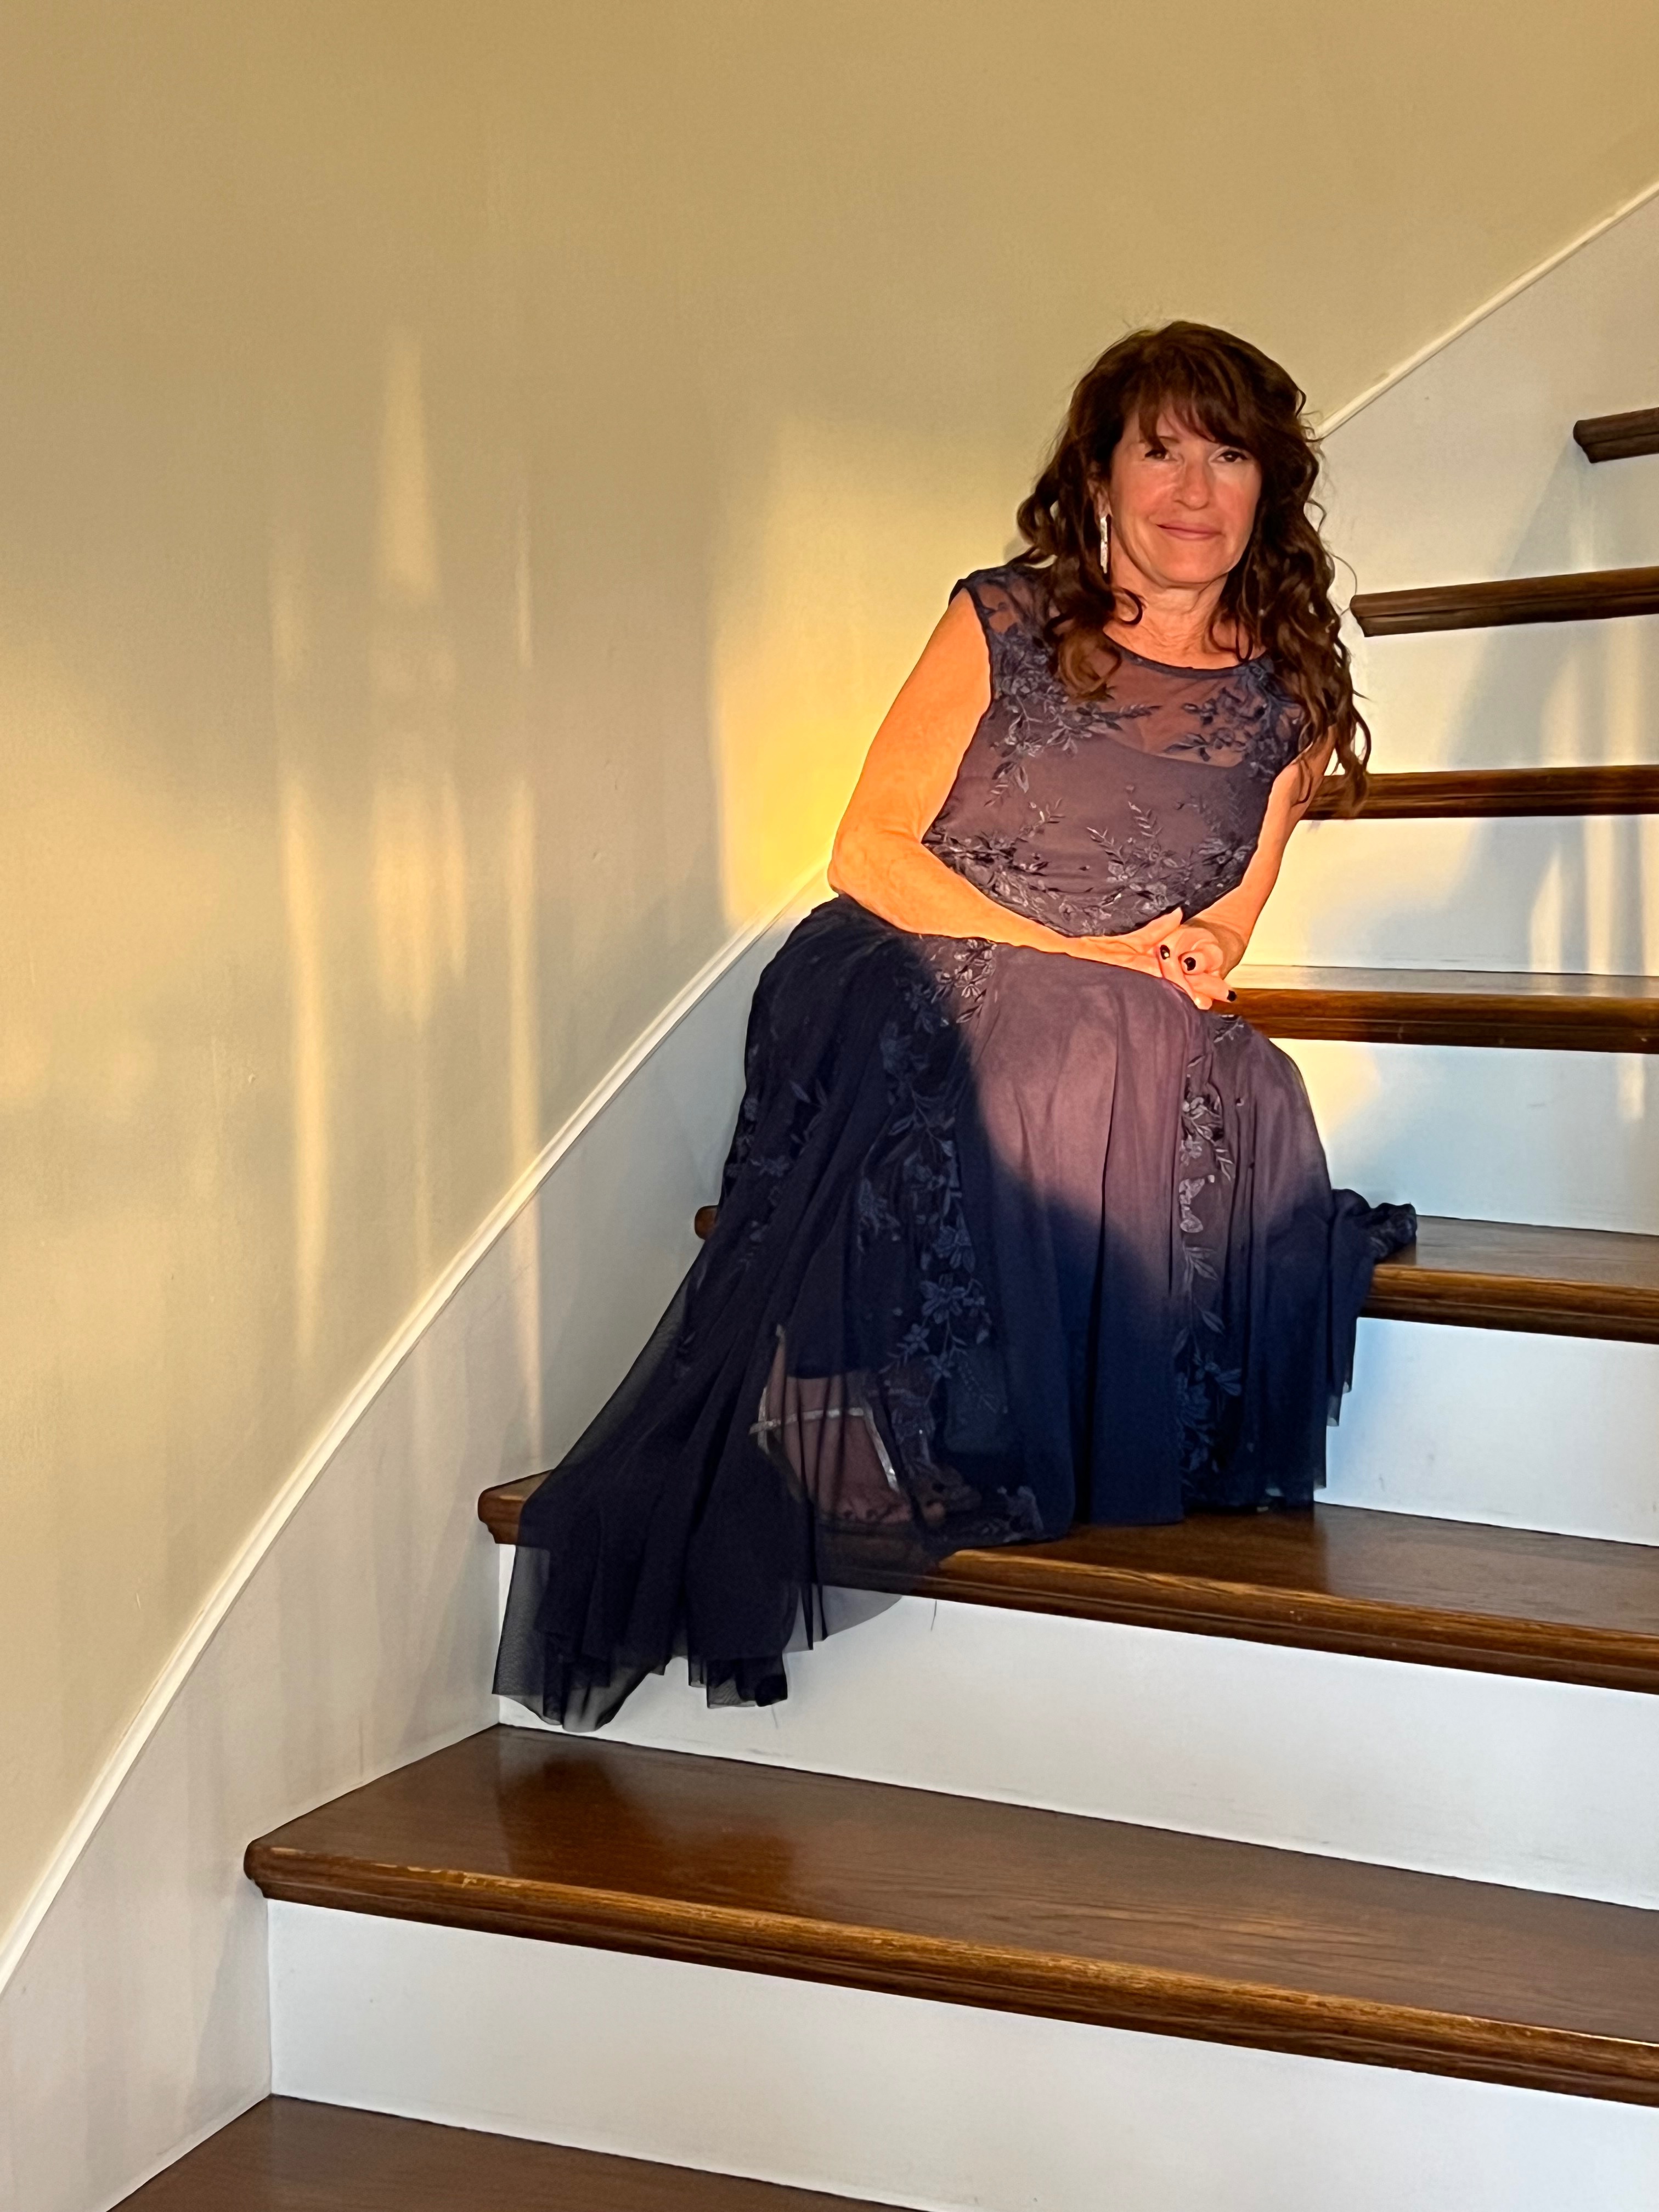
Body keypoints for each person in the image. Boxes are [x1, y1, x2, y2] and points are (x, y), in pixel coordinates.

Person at [496, 321, 1417, 1730]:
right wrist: (1081, 955)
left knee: (1245, 1086)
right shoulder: (1004, 620)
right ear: (1098, 479)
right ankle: (895, 1426)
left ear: (1268, 487)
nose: (1192, 489)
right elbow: (868, 850)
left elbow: (1233, 909)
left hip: (1109, 995)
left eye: (1228, 456)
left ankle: (1020, 1419)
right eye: (1160, 451)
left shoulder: (1290, 691)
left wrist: (1202, 953)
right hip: (916, 953)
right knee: (1065, 1035)